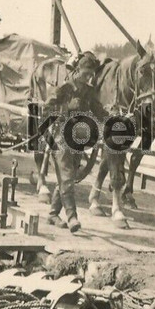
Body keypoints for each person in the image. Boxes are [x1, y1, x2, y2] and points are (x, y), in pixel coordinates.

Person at [43, 52, 106, 234]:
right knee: (67, 178)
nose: (88, 77)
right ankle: (72, 217)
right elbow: (47, 107)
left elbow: (99, 111)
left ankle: (53, 214)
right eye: (85, 73)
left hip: (78, 141)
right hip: (61, 138)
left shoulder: (89, 92)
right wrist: (66, 109)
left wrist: (111, 119)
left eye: (90, 75)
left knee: (66, 179)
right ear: (78, 70)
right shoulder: (65, 89)